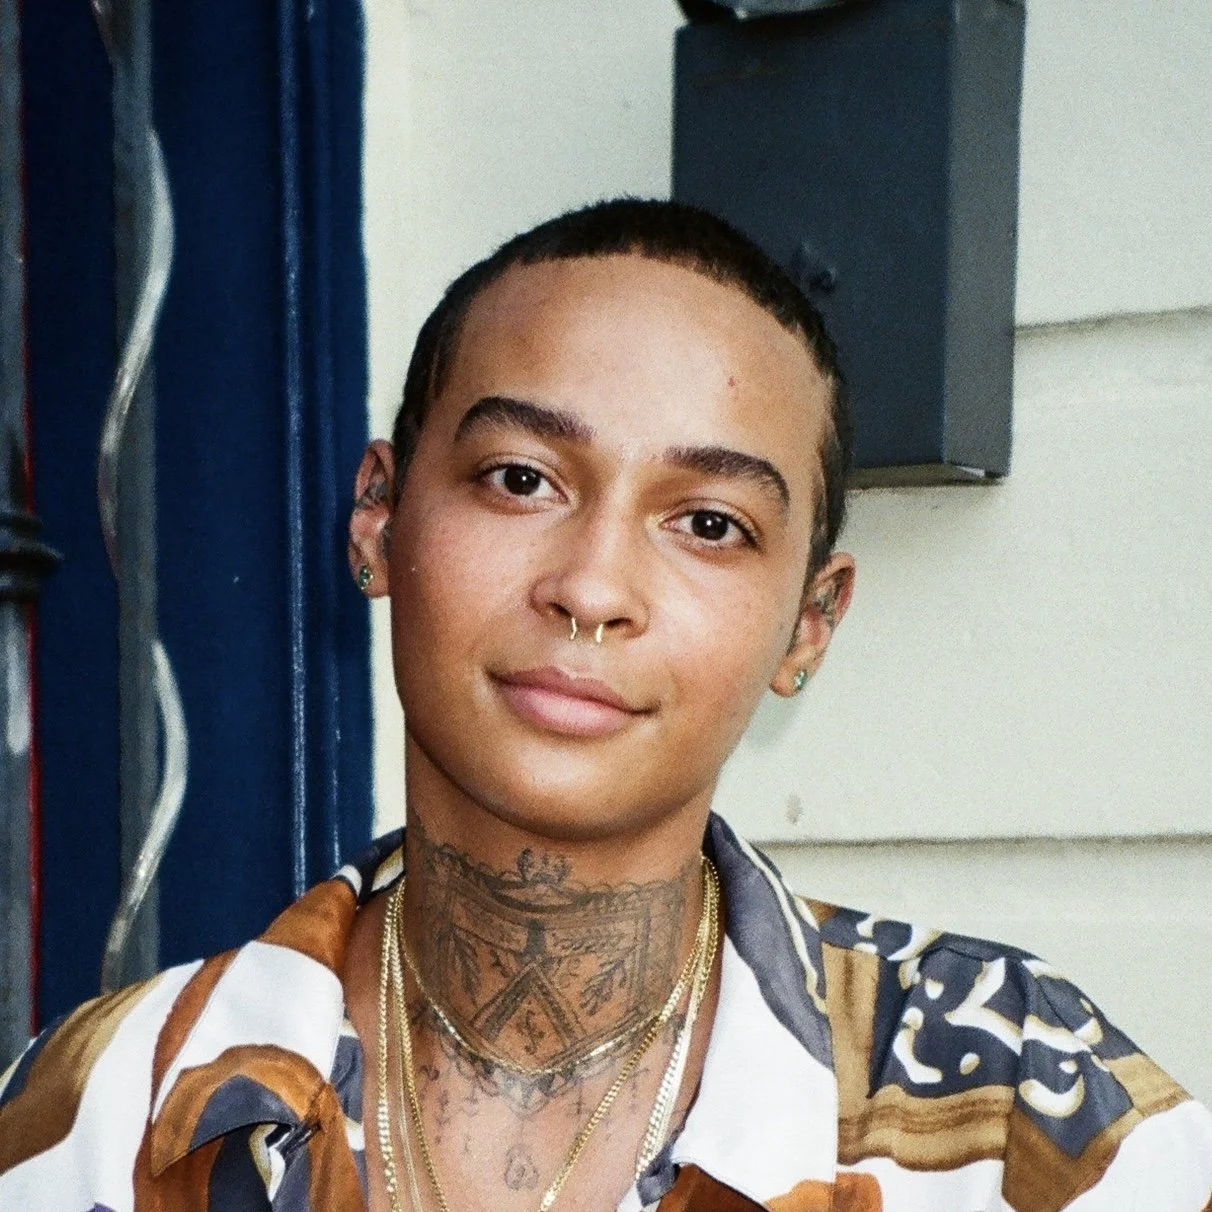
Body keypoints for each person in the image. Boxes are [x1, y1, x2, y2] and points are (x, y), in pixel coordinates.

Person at [0, 199, 1209, 1212]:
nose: (591, 588)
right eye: (520, 478)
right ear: (379, 518)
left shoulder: (1014, 1111)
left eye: (709, 524)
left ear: (808, 624)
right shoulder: (100, 1114)